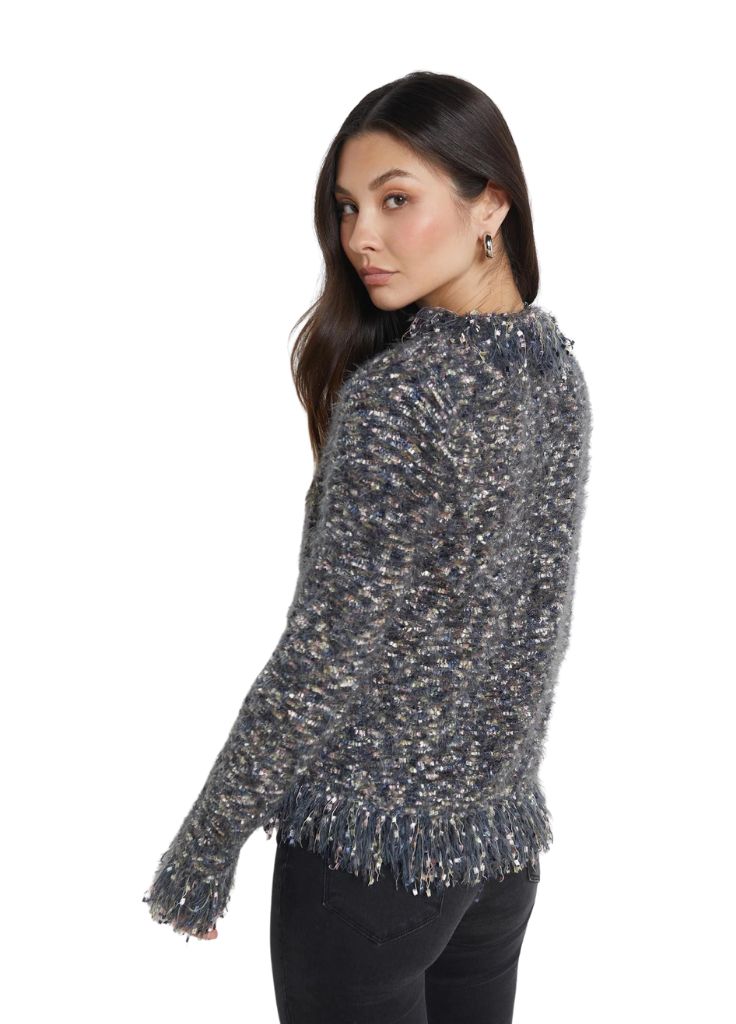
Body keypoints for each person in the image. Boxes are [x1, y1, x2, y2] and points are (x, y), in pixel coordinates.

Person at [144, 70, 593, 1024]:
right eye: (348, 207)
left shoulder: (403, 399)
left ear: (491, 204)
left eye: (396, 200)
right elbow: (535, 628)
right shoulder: (554, 371)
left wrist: (206, 843)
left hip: (368, 863)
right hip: (496, 856)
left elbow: (324, 656)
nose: (359, 237)